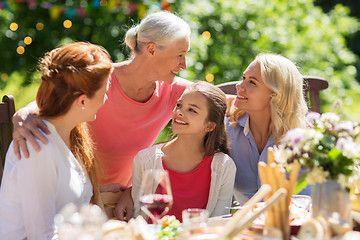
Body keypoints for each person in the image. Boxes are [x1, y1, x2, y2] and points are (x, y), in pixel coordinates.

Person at [11, 11, 192, 219]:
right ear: (151, 49)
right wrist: (23, 115)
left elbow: (217, 100)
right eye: (180, 54)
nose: (184, 64)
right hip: (70, 206)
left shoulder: (173, 92)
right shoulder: (101, 80)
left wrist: (132, 192)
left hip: (118, 208)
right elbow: (45, 106)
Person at [0, 42, 113, 239]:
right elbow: (42, 236)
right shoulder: (36, 148)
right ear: (83, 101)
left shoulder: (70, 134)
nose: (106, 99)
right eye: (105, 91)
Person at [132, 81, 236, 221]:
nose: (179, 112)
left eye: (192, 110)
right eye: (179, 105)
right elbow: (139, 219)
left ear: (209, 125)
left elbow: (218, 223)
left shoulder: (224, 166)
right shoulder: (145, 160)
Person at [226, 53, 309, 205]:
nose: (240, 86)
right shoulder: (228, 129)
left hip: (292, 223)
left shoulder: (302, 140)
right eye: (244, 78)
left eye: (252, 82)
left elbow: (307, 199)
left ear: (276, 95)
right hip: (246, 225)